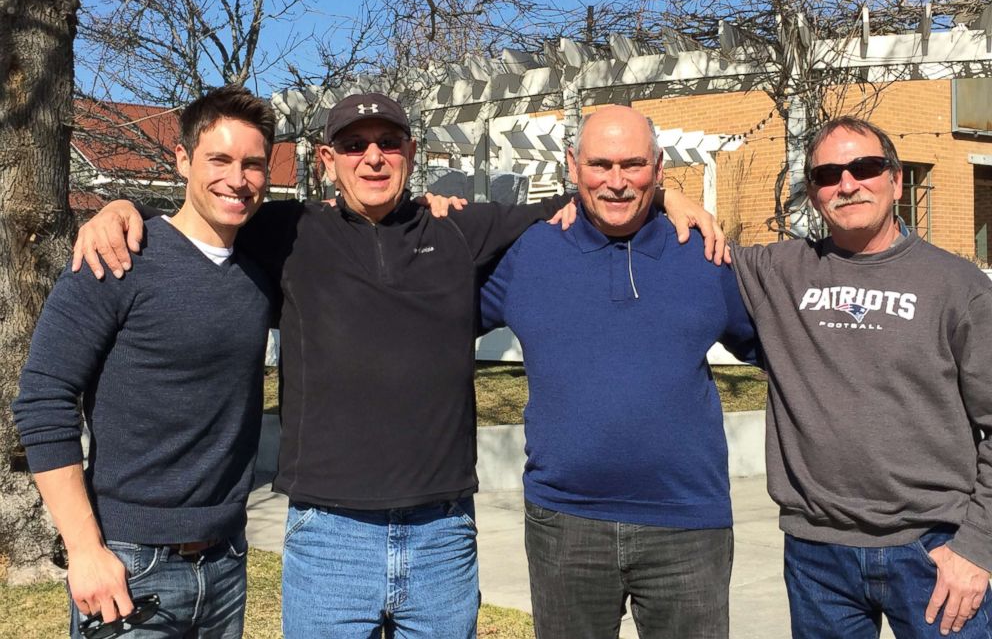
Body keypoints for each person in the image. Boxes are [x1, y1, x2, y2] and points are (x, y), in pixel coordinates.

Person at [72, 92, 724, 638]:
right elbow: (205, 215)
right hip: (328, 538)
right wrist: (121, 208)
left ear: (412, 155)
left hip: (441, 536)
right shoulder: (286, 231)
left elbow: (596, 196)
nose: (374, 156)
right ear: (327, 161)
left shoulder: (464, 231)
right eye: (355, 145)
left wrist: (670, 199)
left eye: (390, 142)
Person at [675, 116, 992, 638]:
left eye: (864, 167)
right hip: (817, 554)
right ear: (814, 193)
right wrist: (669, 196)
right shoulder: (779, 270)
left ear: (895, 178)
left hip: (934, 549)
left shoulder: (956, 285)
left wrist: (977, 549)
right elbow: (689, 246)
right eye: (827, 175)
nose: (847, 184)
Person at [479, 105, 759, 639]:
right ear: (572, 165)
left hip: (687, 525)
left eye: (632, 165)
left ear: (658, 167)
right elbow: (428, 309)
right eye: (599, 164)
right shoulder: (530, 252)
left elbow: (779, 348)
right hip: (564, 522)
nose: (615, 181)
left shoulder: (703, 252)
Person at [13, 84, 276, 638]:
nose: (238, 178)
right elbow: (43, 400)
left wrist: (428, 207)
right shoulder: (115, 257)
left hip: (227, 559)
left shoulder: (263, 268)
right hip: (128, 561)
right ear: (181, 159)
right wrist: (84, 550)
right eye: (219, 159)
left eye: (253, 163)